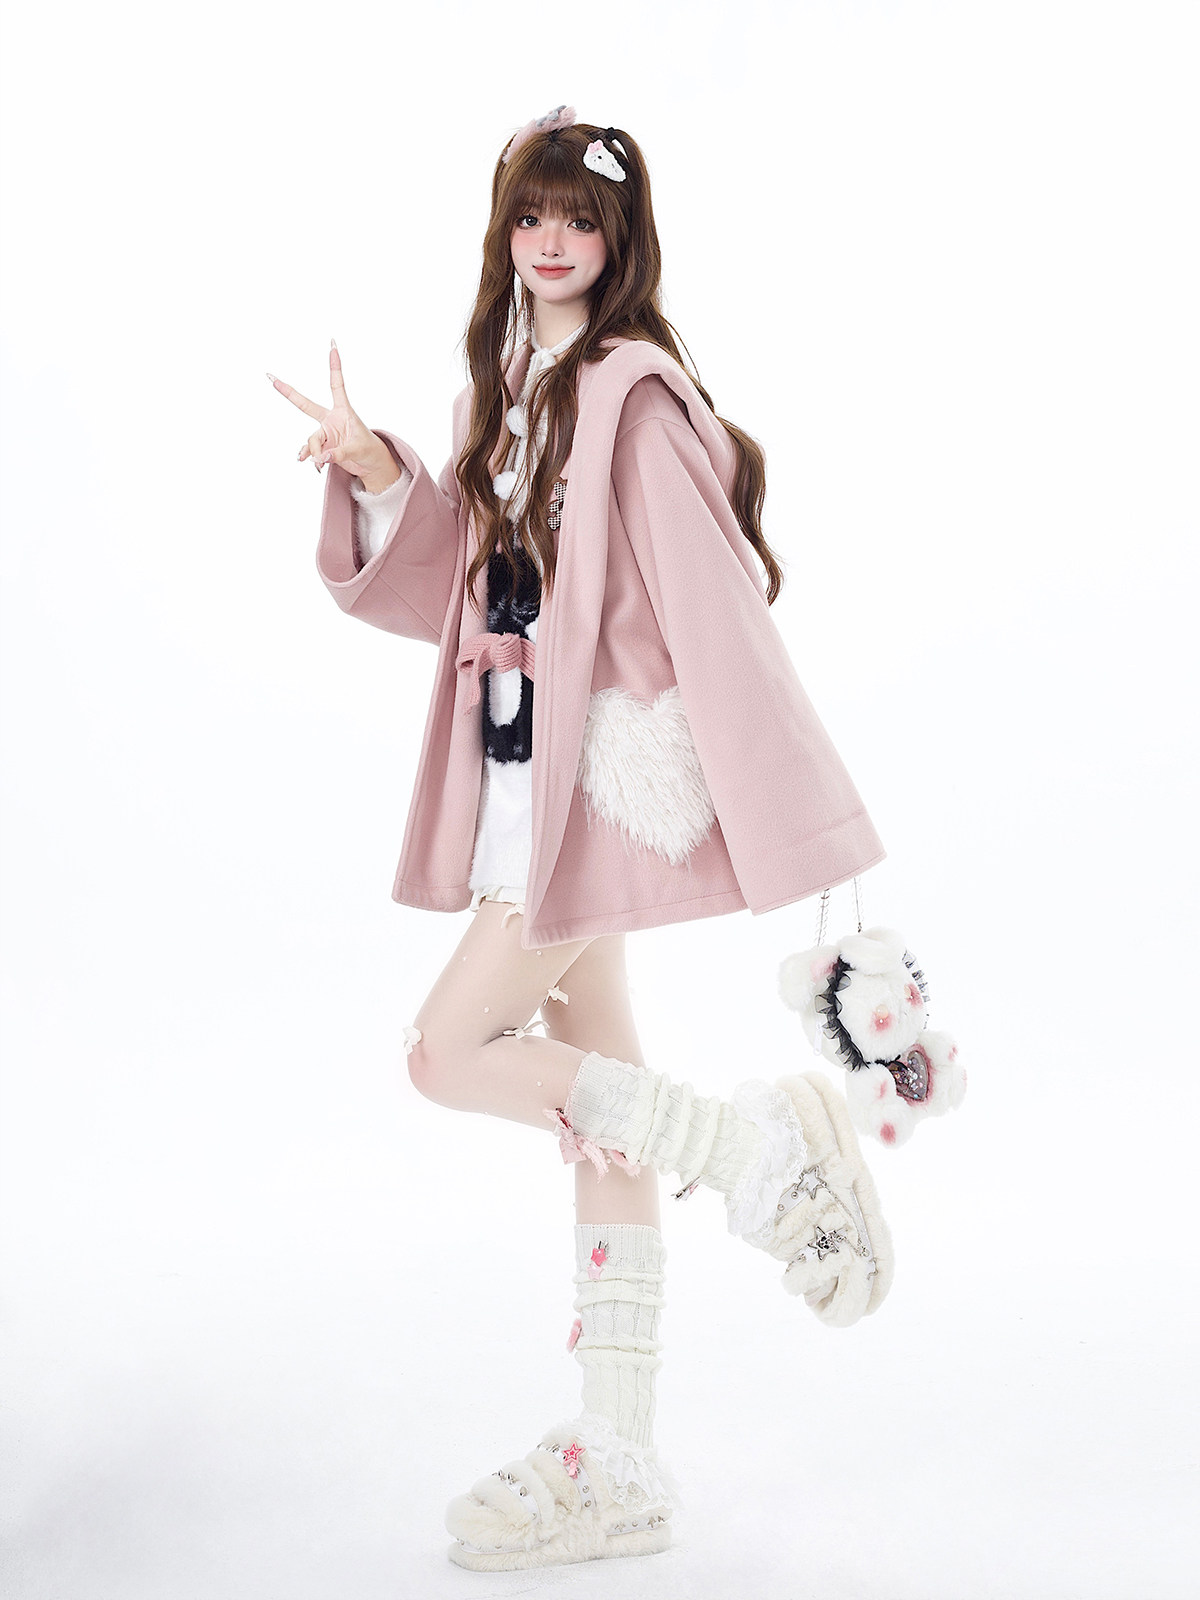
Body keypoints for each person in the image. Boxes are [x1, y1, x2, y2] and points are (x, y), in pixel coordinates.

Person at [270, 105, 891, 1572]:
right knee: (593, 1108)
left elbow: (714, 608)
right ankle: (622, 1458)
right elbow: (470, 586)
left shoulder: (631, 396)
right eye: (531, 217)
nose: (552, 240)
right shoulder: (509, 384)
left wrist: (803, 812)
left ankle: (757, 1157)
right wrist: (377, 471)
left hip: (585, 791)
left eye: (581, 220)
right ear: (508, 236)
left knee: (446, 1054)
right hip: (516, 779)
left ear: (619, 244)